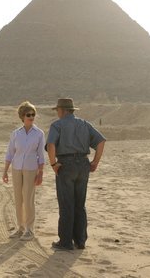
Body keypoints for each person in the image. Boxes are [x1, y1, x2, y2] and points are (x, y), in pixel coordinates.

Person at [46, 98, 106, 250]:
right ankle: (80, 240)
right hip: (83, 164)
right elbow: (101, 142)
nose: (57, 113)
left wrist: (53, 164)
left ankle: (65, 242)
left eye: (58, 110)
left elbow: (51, 144)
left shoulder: (57, 125)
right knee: (80, 203)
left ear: (62, 110)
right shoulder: (84, 124)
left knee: (66, 204)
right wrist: (95, 162)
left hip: (65, 165)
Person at [3, 101, 46, 241]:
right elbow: (10, 153)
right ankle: (20, 228)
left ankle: (29, 229)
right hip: (16, 168)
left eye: (33, 114)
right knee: (18, 199)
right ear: (22, 116)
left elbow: (41, 155)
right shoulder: (15, 134)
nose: (32, 116)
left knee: (28, 199)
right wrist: (5, 171)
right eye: (29, 114)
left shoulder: (39, 134)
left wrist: (41, 173)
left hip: (31, 169)